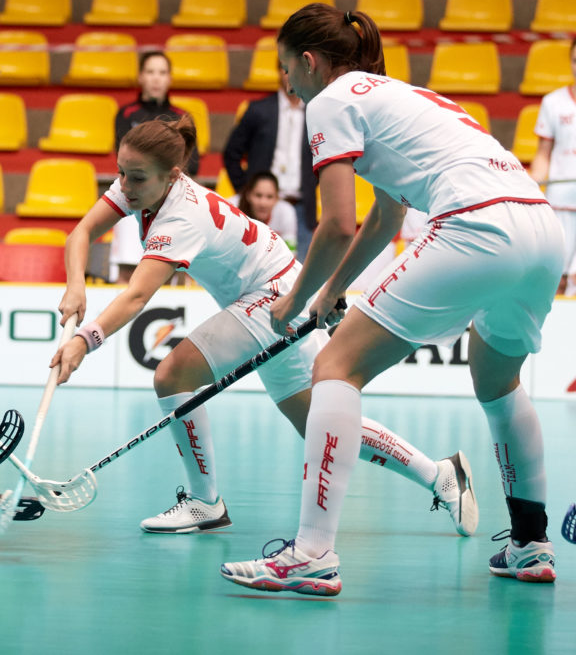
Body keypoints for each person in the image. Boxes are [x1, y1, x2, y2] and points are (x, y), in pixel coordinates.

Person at [221, 5, 561, 596]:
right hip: (542, 230)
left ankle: (311, 553)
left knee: (335, 367)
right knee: (498, 382)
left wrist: (294, 300)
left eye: (286, 68)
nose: (288, 83)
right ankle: (531, 545)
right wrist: (331, 291)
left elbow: (337, 225)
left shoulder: (329, 101)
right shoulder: (397, 94)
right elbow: (385, 218)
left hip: (476, 226)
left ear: (309, 61)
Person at [51, 116, 476, 540]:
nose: (125, 185)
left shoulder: (180, 219)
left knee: (172, 375)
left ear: (173, 175)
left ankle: (204, 501)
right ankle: (439, 474)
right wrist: (75, 285)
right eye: (121, 172)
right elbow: (82, 232)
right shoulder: (140, 184)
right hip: (267, 289)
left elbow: (137, 296)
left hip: (274, 295)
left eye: (136, 177)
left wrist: (84, 341)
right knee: (316, 423)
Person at [109, 51, 199, 282]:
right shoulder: (126, 114)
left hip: (171, 200)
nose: (156, 78)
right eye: (150, 72)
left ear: (170, 78)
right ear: (141, 77)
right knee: (127, 271)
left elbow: (192, 162)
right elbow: (124, 159)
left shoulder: (182, 117)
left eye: (162, 72)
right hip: (132, 197)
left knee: (168, 271)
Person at [222, 74, 317, 257]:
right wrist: (247, 190)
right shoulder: (258, 110)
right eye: (286, 68)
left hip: (301, 205)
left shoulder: (316, 112)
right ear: (279, 70)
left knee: (298, 269)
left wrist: (312, 183)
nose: (290, 74)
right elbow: (232, 153)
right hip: (259, 207)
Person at [528, 37, 576, 295]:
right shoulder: (553, 102)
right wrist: (531, 188)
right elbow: (543, 154)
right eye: (575, 61)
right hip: (560, 202)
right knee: (555, 279)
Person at [234, 171, 297, 244]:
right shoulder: (232, 207)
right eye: (258, 195)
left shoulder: (286, 212)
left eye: (269, 197)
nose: (263, 204)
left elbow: (290, 250)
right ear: (248, 195)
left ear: (277, 198)